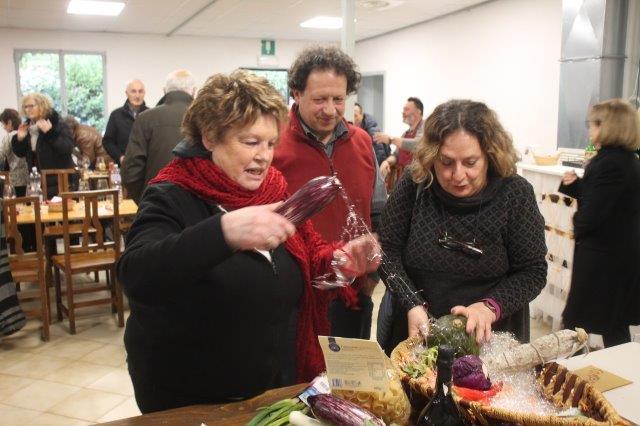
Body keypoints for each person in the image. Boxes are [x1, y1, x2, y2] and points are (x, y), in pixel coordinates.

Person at [118, 70, 380, 413]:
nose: (264, 156)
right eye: (250, 142)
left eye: (270, 143)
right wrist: (224, 232)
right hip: (189, 395)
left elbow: (308, 252)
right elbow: (136, 274)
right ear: (210, 137)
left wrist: (340, 260)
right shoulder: (172, 194)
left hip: (266, 385)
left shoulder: (273, 188)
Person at [378, 99, 547, 354]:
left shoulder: (514, 194)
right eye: (446, 162)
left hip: (490, 343)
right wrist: (412, 302)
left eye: (470, 162)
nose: (457, 176)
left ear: (489, 155)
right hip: (418, 335)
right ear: (431, 156)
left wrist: (489, 307)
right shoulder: (416, 183)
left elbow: (532, 271)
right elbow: (386, 251)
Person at [272, 45, 387, 340]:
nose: (330, 110)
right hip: (294, 296)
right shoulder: (273, 145)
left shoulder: (362, 142)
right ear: (296, 93)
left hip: (352, 293)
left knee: (348, 370)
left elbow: (378, 213)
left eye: (338, 99)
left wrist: (372, 276)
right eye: (319, 99)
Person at [559, 99, 640, 347]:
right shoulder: (623, 160)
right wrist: (576, 186)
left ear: (609, 127)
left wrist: (578, 221)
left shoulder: (610, 164)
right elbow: (606, 201)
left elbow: (592, 215)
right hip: (615, 257)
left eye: (594, 124)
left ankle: (563, 369)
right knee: (613, 324)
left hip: (603, 260)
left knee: (575, 325)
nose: (590, 130)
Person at [121, 70, 196, 203]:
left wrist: (146, 200)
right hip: (199, 205)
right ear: (194, 91)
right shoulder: (207, 119)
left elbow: (131, 171)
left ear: (164, 91)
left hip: (155, 202)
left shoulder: (145, 118)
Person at [11, 93, 75, 198]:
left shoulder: (57, 123)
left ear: (42, 105)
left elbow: (67, 148)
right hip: (37, 181)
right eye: (25, 107)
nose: (28, 110)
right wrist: (19, 139)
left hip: (60, 180)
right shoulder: (27, 127)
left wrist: (50, 133)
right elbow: (20, 153)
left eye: (31, 106)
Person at [377, 97, 425, 179]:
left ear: (418, 112)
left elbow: (417, 144)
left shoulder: (426, 128)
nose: (403, 112)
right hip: (404, 179)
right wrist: (387, 162)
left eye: (407, 109)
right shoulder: (405, 134)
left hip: (417, 179)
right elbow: (396, 155)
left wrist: (391, 139)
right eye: (403, 109)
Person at [103, 79, 148, 166]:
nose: (137, 95)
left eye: (140, 91)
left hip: (146, 166)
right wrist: (120, 157)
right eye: (133, 91)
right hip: (124, 166)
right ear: (126, 93)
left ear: (144, 93)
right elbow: (108, 141)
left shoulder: (151, 114)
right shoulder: (116, 115)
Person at [0, 108, 29, 196]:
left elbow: (1, 155)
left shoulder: (9, 137)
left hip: (16, 180)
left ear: (9, 122)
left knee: (18, 203)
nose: (3, 127)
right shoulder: (26, 133)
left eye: (3, 124)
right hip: (30, 177)